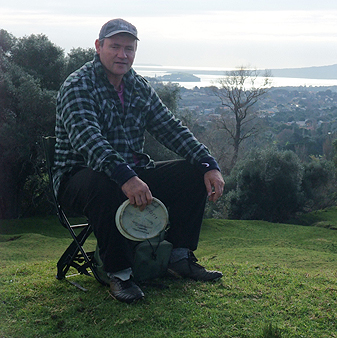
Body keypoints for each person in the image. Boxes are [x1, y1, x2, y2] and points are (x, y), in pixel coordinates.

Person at [53, 18, 225, 303]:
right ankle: (119, 274)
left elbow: (170, 128)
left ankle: (179, 257)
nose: (123, 55)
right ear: (99, 47)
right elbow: (88, 140)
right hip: (80, 178)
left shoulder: (138, 87)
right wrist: (125, 176)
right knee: (104, 183)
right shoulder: (78, 85)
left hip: (131, 174)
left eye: (129, 49)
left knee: (192, 172)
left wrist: (208, 163)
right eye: (115, 47)